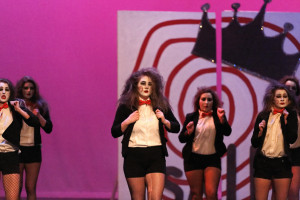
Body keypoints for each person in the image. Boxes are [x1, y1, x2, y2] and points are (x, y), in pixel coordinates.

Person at [111, 68, 180, 200]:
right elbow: (114, 132)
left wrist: (164, 120)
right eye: (143, 83)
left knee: (155, 197)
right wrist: (127, 121)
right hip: (133, 157)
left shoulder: (161, 105)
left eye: (150, 84)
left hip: (156, 156)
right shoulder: (126, 106)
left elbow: (176, 127)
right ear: (135, 85)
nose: (147, 87)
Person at [178, 87, 232, 200]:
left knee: (211, 193)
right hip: (193, 158)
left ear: (214, 102)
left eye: (209, 99)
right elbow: (181, 138)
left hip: (212, 158)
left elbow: (227, 132)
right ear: (198, 101)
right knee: (196, 194)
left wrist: (222, 120)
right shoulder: (191, 117)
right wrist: (188, 132)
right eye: (203, 99)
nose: (206, 102)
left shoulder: (218, 116)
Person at [251, 83, 298, 200]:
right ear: (272, 98)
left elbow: (292, 139)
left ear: (289, 99)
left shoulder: (291, 115)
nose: (282, 99)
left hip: (282, 163)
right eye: (278, 96)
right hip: (263, 163)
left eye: (285, 96)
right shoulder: (263, 115)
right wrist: (260, 132)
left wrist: (286, 122)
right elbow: (254, 143)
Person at [0, 78, 39, 200]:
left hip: (10, 155)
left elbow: (34, 122)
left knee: (12, 197)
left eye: (6, 89)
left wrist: (19, 110)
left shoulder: (16, 106)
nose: (3, 92)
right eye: (0, 89)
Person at [15, 76, 53, 200]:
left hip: (34, 150)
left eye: (31, 88)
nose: (29, 91)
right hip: (17, 149)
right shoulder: (14, 106)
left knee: (31, 188)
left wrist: (38, 115)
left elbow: (48, 128)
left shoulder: (41, 106)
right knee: (16, 188)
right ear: (21, 89)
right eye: (26, 88)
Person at [279, 76, 300, 200]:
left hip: (296, 153)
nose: (291, 90)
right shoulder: (275, 108)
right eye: (288, 87)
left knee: (293, 192)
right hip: (279, 153)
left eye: (294, 88)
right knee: (278, 193)